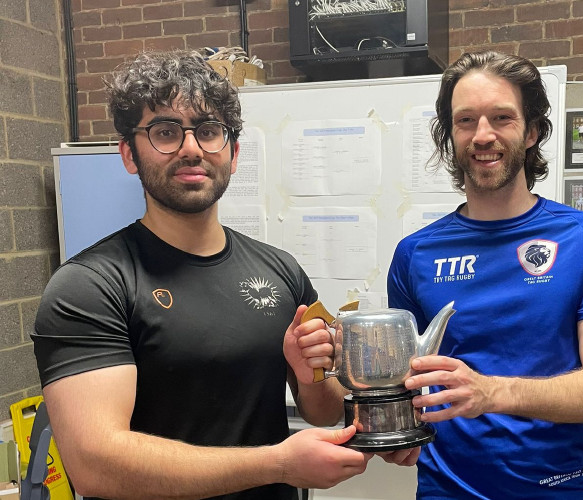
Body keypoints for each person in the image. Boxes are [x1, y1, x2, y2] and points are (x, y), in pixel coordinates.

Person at [31, 50, 413, 500]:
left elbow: (325, 411)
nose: (191, 148)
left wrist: (308, 371)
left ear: (232, 154)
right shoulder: (90, 286)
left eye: (209, 131)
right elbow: (95, 465)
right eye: (166, 132)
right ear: (129, 155)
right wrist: (278, 464)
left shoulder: (280, 270)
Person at [386, 50, 583, 499]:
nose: (483, 135)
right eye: (466, 121)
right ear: (451, 135)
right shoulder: (415, 254)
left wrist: (491, 393)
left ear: (532, 131)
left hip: (556, 491)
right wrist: (395, 430)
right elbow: (407, 383)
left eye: (501, 117)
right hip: (445, 492)